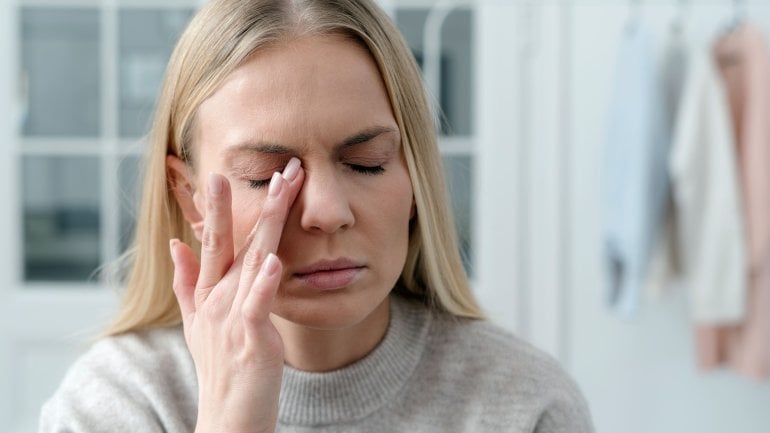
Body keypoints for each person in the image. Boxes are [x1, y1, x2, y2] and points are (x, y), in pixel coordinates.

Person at [40, 0, 593, 431]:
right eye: (266, 176)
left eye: (366, 163)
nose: (327, 212)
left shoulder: (525, 404)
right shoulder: (116, 404)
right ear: (189, 197)